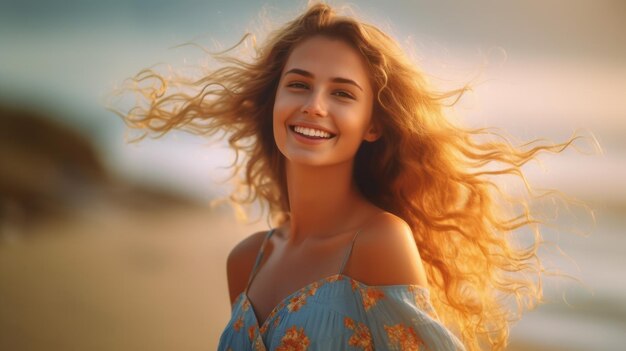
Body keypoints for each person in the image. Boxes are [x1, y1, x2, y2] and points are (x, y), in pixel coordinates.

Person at [112, 2, 588, 350]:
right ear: (272, 102)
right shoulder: (246, 261)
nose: (314, 105)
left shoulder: (379, 243)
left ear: (373, 125)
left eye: (342, 93)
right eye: (298, 84)